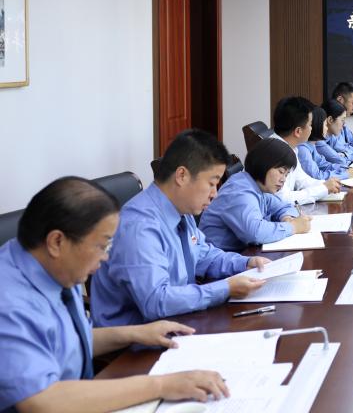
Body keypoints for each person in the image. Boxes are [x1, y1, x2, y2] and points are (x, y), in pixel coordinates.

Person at [0, 177, 231, 412]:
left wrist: (135, 333)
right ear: (57, 241)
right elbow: (42, 400)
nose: (105, 257)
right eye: (101, 246)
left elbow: (68, 342)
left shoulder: (53, 266)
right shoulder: (9, 302)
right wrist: (161, 385)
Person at [91, 129, 270, 327]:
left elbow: (204, 255)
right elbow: (156, 302)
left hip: (179, 320)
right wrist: (225, 288)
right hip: (137, 338)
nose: (215, 194)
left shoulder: (182, 212)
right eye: (212, 183)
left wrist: (246, 264)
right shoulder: (139, 227)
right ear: (182, 175)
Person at [200, 138, 311, 252]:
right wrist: (293, 227)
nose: (283, 179)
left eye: (286, 175)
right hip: (217, 258)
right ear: (264, 164)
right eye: (281, 172)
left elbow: (284, 206)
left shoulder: (258, 187)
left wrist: (286, 218)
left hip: (240, 254)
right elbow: (254, 233)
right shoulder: (240, 191)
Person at [269, 96, 343, 204]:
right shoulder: (275, 152)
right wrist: (324, 188)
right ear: (298, 131)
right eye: (310, 125)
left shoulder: (291, 148)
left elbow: (302, 180)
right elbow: (283, 199)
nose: (312, 128)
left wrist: (327, 184)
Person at [299, 106, 353, 181]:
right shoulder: (303, 149)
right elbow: (317, 177)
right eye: (325, 125)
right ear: (316, 125)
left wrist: (347, 169)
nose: (327, 128)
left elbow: (325, 165)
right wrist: (346, 174)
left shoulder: (311, 146)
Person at [317, 98, 353, 167]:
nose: (344, 124)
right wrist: (342, 157)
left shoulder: (331, 137)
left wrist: (343, 155)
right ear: (330, 120)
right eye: (342, 120)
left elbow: (352, 153)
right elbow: (341, 162)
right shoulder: (318, 141)